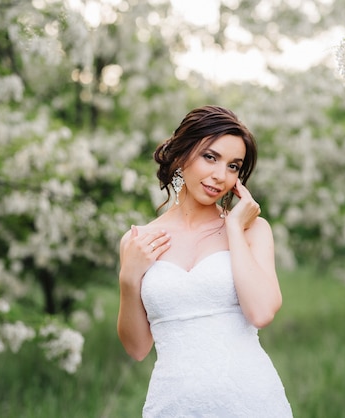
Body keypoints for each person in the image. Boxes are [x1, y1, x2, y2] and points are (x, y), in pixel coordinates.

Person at [117, 105, 293, 417]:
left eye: (233, 166)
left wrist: (234, 229)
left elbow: (262, 312)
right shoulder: (138, 241)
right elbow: (137, 348)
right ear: (182, 155)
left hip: (253, 402)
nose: (220, 176)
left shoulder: (253, 230)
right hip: (172, 406)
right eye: (210, 157)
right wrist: (129, 280)